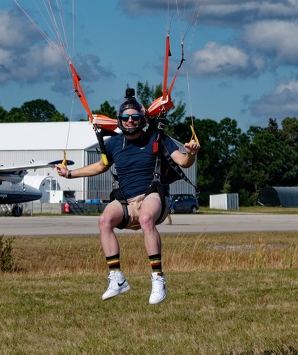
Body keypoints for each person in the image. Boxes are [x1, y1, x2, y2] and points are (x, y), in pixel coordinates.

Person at [56, 88, 200, 305]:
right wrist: (70, 173)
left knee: (145, 219)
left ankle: (158, 279)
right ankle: (117, 279)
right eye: (126, 117)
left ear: (142, 119)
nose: (130, 120)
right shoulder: (113, 144)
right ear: (120, 120)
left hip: (152, 194)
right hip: (126, 199)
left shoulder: (157, 137)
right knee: (104, 220)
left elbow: (182, 161)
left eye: (134, 117)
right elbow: (101, 166)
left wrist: (191, 153)